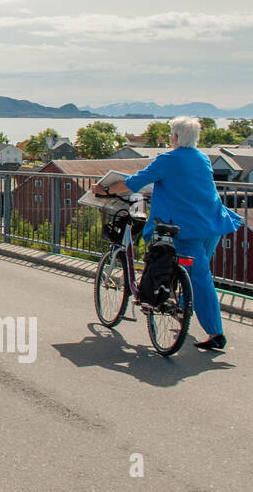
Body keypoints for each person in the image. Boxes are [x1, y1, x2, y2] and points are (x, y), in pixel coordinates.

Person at [94, 115, 242, 351]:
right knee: (196, 275)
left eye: (170, 134)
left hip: (186, 228)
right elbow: (186, 186)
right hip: (213, 223)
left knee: (200, 279)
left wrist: (104, 189)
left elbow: (134, 182)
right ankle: (184, 305)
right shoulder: (202, 158)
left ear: (174, 137)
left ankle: (215, 332)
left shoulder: (168, 159)